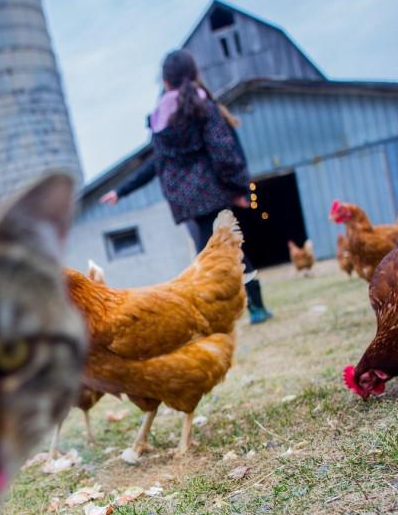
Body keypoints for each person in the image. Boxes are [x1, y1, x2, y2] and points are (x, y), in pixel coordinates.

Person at [100, 49, 272, 324]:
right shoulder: (203, 107)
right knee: (228, 253)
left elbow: (157, 163)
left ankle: (222, 314)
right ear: (193, 75)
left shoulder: (160, 119)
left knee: (210, 253)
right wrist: (239, 188)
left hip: (186, 201)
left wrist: (121, 191)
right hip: (213, 194)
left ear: (166, 82)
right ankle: (253, 308)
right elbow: (223, 151)